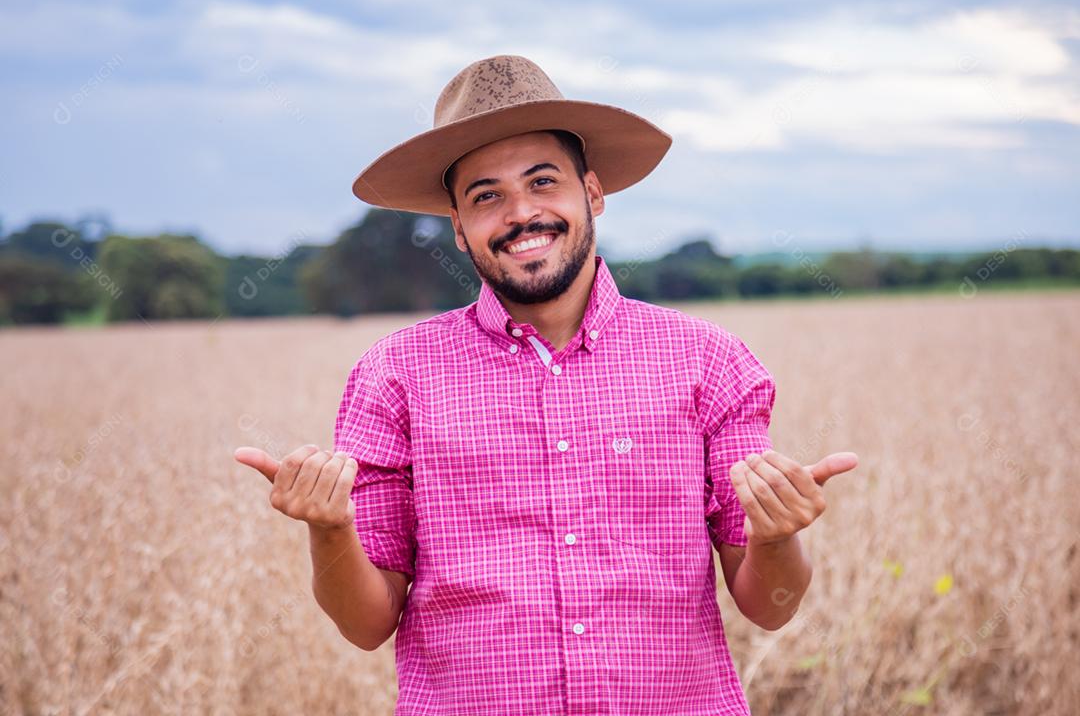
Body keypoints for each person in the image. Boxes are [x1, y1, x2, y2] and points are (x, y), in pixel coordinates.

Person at [234, 54, 858, 715]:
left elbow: (770, 608)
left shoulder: (709, 363)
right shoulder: (393, 376)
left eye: (542, 182)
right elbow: (365, 625)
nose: (521, 213)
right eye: (486, 196)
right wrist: (329, 530)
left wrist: (777, 534)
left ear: (593, 193)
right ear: (458, 227)